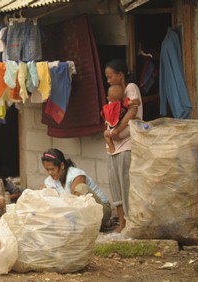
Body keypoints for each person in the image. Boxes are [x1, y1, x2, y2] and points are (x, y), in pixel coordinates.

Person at [104, 59, 143, 233]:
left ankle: (131, 222)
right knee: (116, 186)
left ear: (120, 75)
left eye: (110, 76)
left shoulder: (130, 88)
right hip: (114, 146)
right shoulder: (113, 95)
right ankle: (122, 223)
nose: (108, 80)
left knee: (127, 185)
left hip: (127, 144)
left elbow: (133, 111)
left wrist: (117, 131)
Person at [41, 148, 111, 229]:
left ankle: (102, 223)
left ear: (62, 165)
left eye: (52, 169)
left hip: (101, 211)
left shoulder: (76, 174)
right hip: (74, 217)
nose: (50, 173)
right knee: (44, 193)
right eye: (47, 170)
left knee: (80, 188)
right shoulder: (48, 181)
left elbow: (76, 203)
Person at [102, 84, 140, 153]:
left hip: (113, 132)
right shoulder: (123, 102)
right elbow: (135, 102)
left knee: (105, 134)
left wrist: (106, 121)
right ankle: (136, 120)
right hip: (125, 127)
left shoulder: (107, 108)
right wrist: (134, 101)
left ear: (108, 98)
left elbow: (104, 116)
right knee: (132, 118)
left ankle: (111, 148)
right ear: (123, 97)